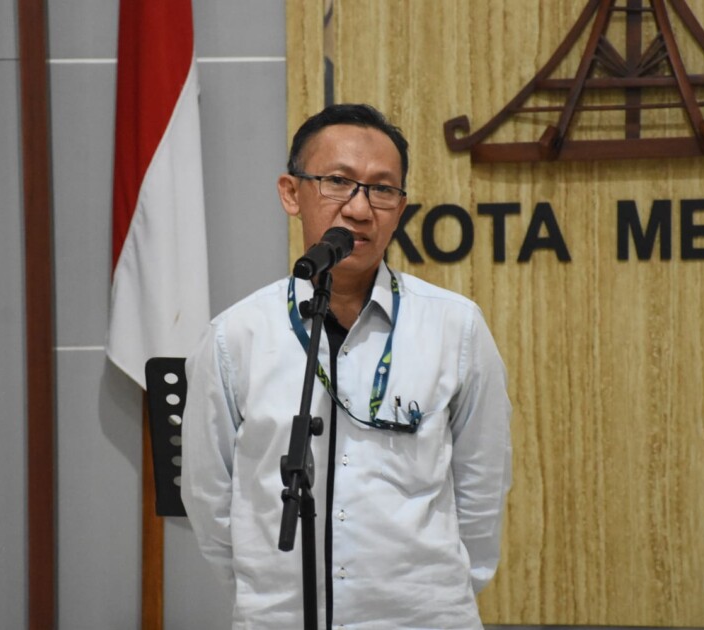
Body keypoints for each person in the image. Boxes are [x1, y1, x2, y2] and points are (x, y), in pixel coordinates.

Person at [181, 103, 512, 629]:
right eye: (338, 181)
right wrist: (270, 593)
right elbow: (209, 496)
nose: (359, 209)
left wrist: (434, 595)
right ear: (292, 193)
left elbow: (482, 485)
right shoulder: (234, 337)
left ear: (400, 208)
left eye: (382, 189)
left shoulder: (456, 327)